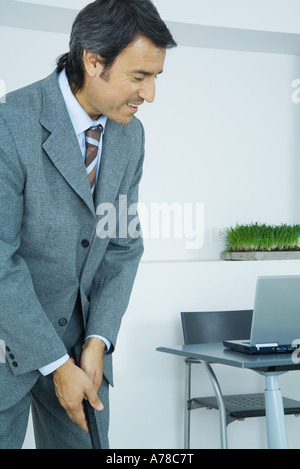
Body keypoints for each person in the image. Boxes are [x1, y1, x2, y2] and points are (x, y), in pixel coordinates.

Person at [0, 0, 176, 449]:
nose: (150, 94)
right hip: (8, 347)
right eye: (139, 77)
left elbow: (122, 246)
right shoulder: (9, 124)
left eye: (155, 77)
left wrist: (98, 339)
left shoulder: (130, 134)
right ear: (94, 61)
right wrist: (57, 364)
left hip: (84, 351)